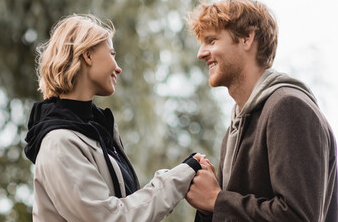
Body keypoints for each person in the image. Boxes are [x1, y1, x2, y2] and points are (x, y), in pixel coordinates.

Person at [23, 14, 203, 221]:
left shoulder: (97, 134)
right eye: (111, 53)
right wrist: (179, 177)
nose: (118, 67)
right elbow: (111, 218)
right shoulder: (59, 143)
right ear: (88, 56)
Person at [184, 0, 338, 221]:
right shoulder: (233, 133)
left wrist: (217, 200)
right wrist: (209, 208)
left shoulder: (289, 108)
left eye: (212, 40)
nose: (201, 53)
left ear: (247, 38)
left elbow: (298, 216)